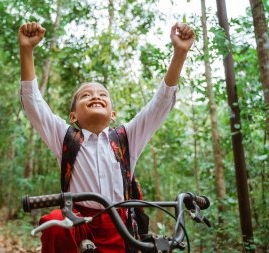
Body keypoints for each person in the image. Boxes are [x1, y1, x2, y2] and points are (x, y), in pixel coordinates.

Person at [19, 21, 195, 253]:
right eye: (86, 95)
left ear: (112, 115)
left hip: (120, 225)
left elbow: (159, 105)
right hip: (79, 221)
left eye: (103, 94)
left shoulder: (125, 139)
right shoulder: (66, 138)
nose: (96, 97)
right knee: (55, 223)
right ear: (73, 116)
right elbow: (34, 104)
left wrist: (180, 53)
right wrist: (26, 50)